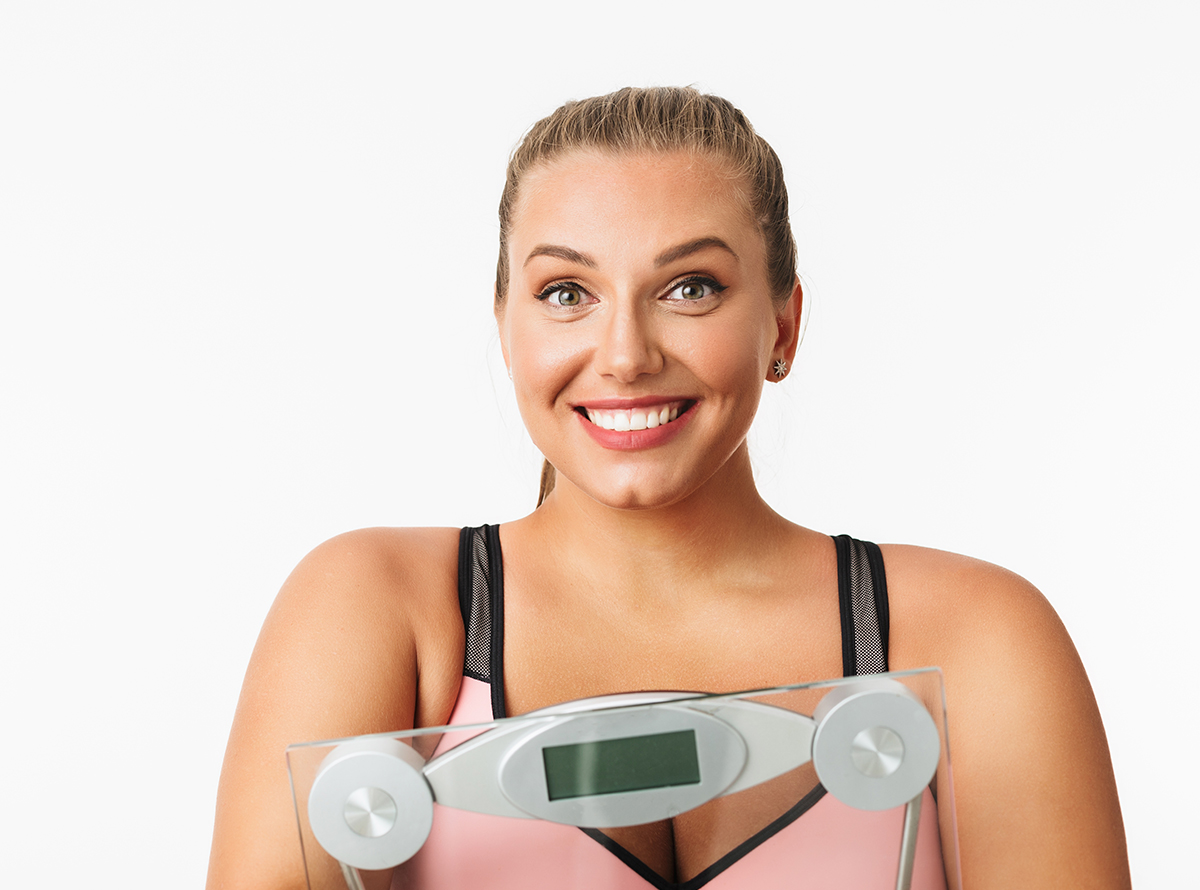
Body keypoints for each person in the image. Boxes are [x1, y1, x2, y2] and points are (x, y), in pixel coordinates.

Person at [206, 87, 1130, 890]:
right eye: (567, 293)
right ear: (506, 330)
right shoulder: (382, 606)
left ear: (784, 325)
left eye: (690, 287)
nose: (625, 356)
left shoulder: (976, 635)